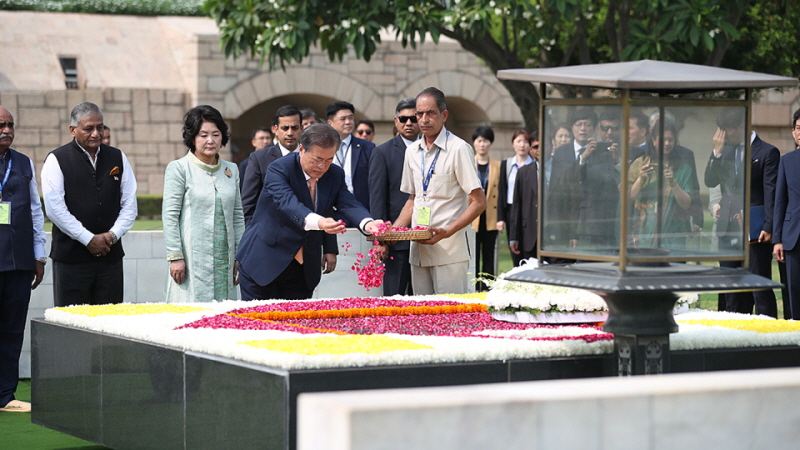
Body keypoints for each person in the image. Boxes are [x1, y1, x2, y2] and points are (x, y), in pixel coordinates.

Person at [236, 123, 386, 301]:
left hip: (303, 267)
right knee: (258, 324)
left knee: (298, 324)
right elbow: (288, 203)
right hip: (265, 260)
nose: (322, 166)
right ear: (301, 149)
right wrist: (320, 223)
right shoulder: (279, 168)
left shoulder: (335, 174)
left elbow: (348, 203)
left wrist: (369, 224)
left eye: (329, 160)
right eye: (317, 160)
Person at [42, 102, 137, 307]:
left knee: (109, 323)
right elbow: (54, 209)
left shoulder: (117, 157)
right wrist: (88, 239)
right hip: (71, 260)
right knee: (71, 323)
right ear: (72, 130)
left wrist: (111, 236)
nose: (96, 133)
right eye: (88, 128)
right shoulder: (56, 159)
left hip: (110, 259)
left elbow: (130, 204)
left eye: (100, 127)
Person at [394, 87, 486, 295]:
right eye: (420, 114)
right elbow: (413, 199)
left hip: (449, 251)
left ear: (443, 115)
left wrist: (447, 232)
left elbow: (479, 202)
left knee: (450, 317)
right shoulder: (411, 151)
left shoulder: (458, 149)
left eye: (430, 113)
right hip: (418, 251)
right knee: (423, 316)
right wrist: (393, 232)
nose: (424, 119)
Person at [162, 105, 245, 302]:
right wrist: (175, 257)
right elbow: (170, 216)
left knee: (223, 316)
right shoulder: (179, 168)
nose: (210, 140)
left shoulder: (231, 169)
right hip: (191, 258)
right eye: (203, 135)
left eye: (216, 134)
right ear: (192, 138)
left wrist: (239, 256)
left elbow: (237, 215)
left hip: (225, 259)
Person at [706, 109, 779, 316]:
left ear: (741, 127)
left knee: (759, 286)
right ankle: (735, 337)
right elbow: (710, 181)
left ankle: (769, 336)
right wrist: (716, 154)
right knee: (731, 288)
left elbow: (770, 192)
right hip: (728, 227)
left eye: (727, 130)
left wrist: (768, 225)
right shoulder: (724, 151)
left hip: (755, 229)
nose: (724, 136)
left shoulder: (767, 152)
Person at [0, 107, 46, 414]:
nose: (6, 129)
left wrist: (39, 255)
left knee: (12, 330)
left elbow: (34, 211)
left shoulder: (23, 163)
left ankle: (5, 395)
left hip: (17, 262)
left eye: (10, 125)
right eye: (0, 124)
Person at [369, 98, 419, 296]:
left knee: (427, 302)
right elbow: (377, 198)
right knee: (393, 298)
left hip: (428, 238)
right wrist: (380, 239)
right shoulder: (382, 152)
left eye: (413, 118)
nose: (408, 123)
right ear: (395, 121)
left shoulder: (432, 150)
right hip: (395, 240)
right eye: (403, 118)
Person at [629, 121, 693, 249]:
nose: (667, 144)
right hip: (643, 232)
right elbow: (628, 198)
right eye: (663, 140)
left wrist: (673, 184)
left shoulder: (683, 168)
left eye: (671, 140)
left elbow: (686, 204)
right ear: (653, 140)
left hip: (672, 235)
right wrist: (641, 179)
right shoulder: (640, 163)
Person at [241, 106, 301, 224]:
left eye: (294, 128)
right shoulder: (259, 158)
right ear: (275, 129)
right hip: (270, 232)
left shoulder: (311, 156)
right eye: (285, 128)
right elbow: (248, 203)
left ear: (302, 128)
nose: (290, 133)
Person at [774, 108, 800, 319]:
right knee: (794, 290)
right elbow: (780, 202)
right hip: (793, 237)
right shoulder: (786, 161)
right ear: (793, 132)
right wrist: (777, 240)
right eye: (799, 128)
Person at [326, 101, 374, 215]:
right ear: (330, 123)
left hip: (360, 209)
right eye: (342, 119)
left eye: (350, 118)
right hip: (330, 210)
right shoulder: (322, 147)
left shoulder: (367, 147)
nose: (348, 122)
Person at [470, 126, 501, 291]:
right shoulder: (468, 164)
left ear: (490, 143)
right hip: (472, 218)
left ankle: (488, 288)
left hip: (491, 218)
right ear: (474, 143)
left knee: (489, 256)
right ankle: (474, 288)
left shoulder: (498, 166)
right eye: (479, 141)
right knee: (473, 257)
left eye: (486, 141)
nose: (482, 144)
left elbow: (501, 195)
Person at [498, 130, 533, 267]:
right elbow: (502, 191)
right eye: (519, 141)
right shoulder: (506, 164)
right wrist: (500, 218)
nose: (522, 145)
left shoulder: (534, 165)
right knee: (514, 246)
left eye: (525, 141)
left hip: (529, 209)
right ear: (513, 144)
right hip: (511, 210)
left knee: (528, 246)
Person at [509, 149, 539, 262]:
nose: (540, 149)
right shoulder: (523, 172)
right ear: (531, 150)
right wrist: (514, 237)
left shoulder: (560, 169)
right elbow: (517, 205)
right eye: (536, 146)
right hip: (529, 234)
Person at [238, 126, 272, 191]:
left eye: (268, 138)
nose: (265, 141)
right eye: (261, 138)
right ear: (253, 142)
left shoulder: (277, 160)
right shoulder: (245, 164)